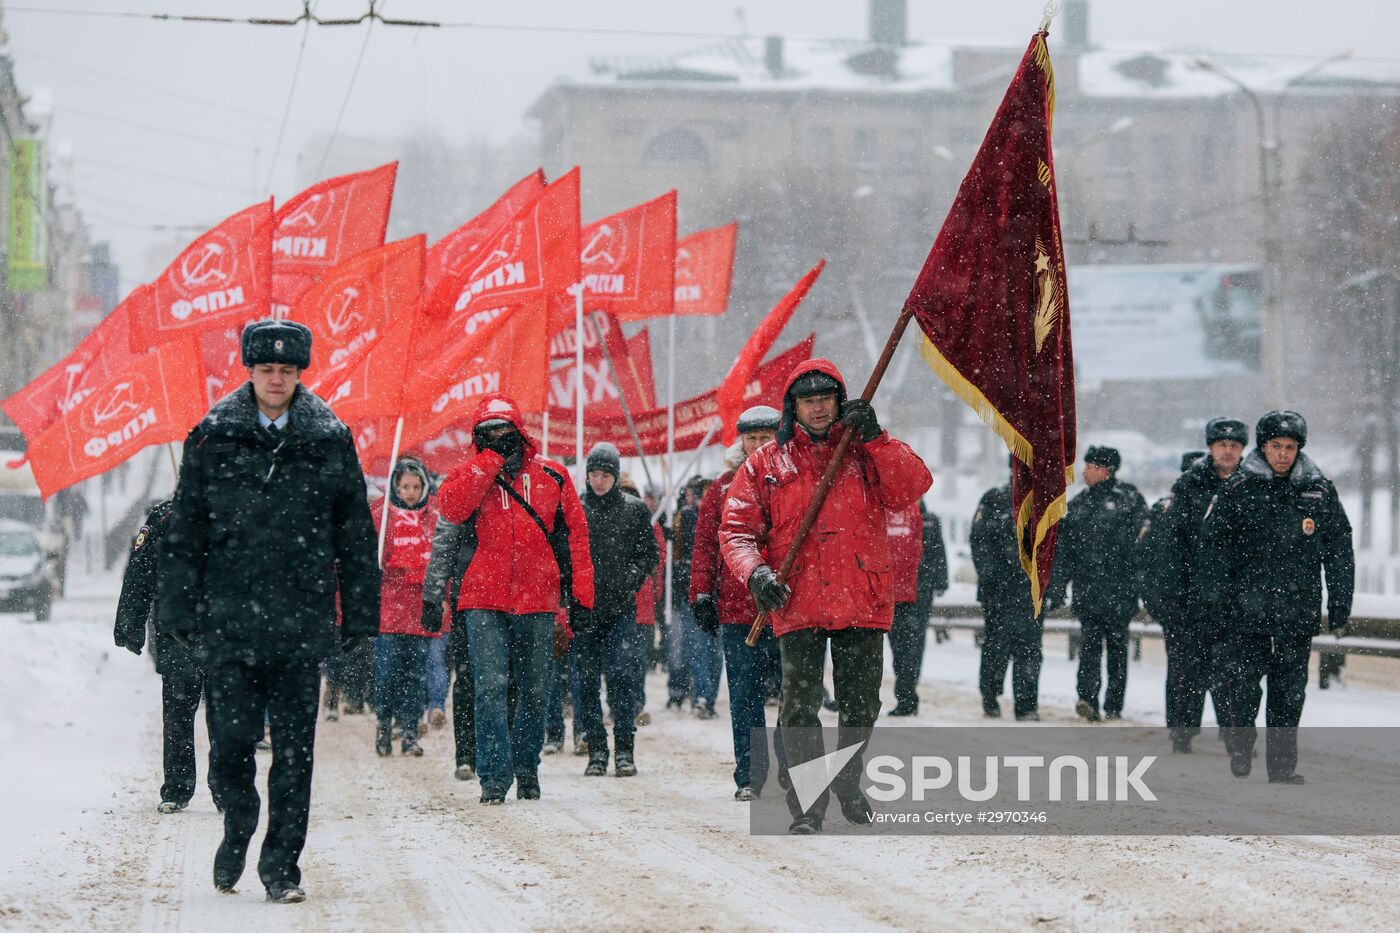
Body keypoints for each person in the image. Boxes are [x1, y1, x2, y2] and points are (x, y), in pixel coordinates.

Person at [159, 320, 380, 903]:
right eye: (266, 370)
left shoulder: (329, 439)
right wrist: (175, 607)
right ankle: (237, 823)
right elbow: (185, 532)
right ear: (250, 372)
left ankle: (281, 866)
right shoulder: (212, 437)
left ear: (300, 374)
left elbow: (355, 533)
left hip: (301, 627)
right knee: (229, 747)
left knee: (295, 754)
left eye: (286, 371)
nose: (276, 379)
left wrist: (361, 613)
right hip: (230, 624)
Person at [721, 360, 932, 834]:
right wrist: (756, 574)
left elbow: (911, 488)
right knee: (799, 708)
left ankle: (848, 780)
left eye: (825, 398)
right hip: (798, 600)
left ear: (840, 401)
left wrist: (877, 439)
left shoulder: (865, 450)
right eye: (807, 400)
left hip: (863, 597)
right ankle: (809, 805)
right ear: (792, 408)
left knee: (861, 706)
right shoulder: (766, 463)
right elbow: (736, 530)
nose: (817, 408)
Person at [431, 394, 594, 804]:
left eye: (506, 433)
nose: (500, 440)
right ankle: (493, 776)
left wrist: (581, 596)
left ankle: (526, 767)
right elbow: (451, 507)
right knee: (490, 687)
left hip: (538, 598)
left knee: (535, 688)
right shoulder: (470, 473)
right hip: (483, 599)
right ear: (478, 439)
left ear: (521, 433)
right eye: (490, 434)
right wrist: (488, 463)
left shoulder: (553, 476)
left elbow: (576, 537)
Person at [1198, 411, 1353, 783]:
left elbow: (1339, 549)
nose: (1283, 454)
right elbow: (1212, 549)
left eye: (1290, 447)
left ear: (1299, 449)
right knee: (1243, 686)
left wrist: (1340, 602)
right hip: (1245, 610)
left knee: (1289, 693)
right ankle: (1241, 743)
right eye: (1275, 447)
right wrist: (1216, 600)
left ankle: (1282, 767)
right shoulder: (1238, 489)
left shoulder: (1318, 490)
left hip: (1296, 610)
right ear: (1263, 447)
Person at [690, 405, 789, 800]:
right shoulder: (722, 488)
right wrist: (700, 592)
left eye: (766, 438)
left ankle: (791, 769)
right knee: (745, 696)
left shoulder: (792, 481)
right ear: (741, 442)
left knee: (794, 695)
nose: (759, 445)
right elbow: (703, 546)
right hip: (736, 609)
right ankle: (749, 773)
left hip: (786, 608)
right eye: (752, 438)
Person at [113, 497, 221, 814]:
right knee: (179, 714)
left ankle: (225, 788)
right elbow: (140, 573)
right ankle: (177, 787)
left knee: (223, 716)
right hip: (178, 633)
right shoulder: (164, 517)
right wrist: (129, 624)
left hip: (223, 632)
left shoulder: (237, 508)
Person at [1153, 422, 1246, 752]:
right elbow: (1169, 547)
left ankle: (1236, 734)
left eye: (1234, 445)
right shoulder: (1191, 486)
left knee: (1233, 673)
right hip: (1191, 598)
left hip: (1233, 599)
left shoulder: (1251, 486)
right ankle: (1182, 733)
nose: (1227, 451)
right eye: (1221, 444)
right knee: (1185, 673)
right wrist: (1170, 597)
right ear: (1210, 448)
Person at [575, 444, 659, 777]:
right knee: (586, 683)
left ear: (615, 476)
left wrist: (632, 578)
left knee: (622, 680)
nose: (598, 481)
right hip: (586, 610)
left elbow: (649, 553)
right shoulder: (577, 509)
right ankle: (596, 749)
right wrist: (573, 595)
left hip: (621, 609)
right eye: (594, 474)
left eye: (605, 475)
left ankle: (625, 750)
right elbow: (565, 556)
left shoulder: (634, 510)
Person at [1054, 446, 1147, 722]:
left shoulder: (1130, 500)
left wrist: (1139, 583)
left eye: (1091, 467)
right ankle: (1088, 699)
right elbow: (1066, 550)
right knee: (1091, 648)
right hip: (1090, 591)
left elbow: (1142, 548)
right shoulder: (1080, 504)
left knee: (1117, 650)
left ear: (1106, 470)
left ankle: (1113, 704)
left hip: (1120, 590)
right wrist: (1059, 585)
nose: (1085, 472)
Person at [369, 456, 443, 758]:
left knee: (416, 676)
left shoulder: (434, 516)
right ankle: (384, 724)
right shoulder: (381, 515)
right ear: (394, 487)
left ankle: (411, 731)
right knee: (386, 673)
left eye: (415, 486)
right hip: (389, 608)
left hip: (419, 608)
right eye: (403, 487)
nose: (410, 492)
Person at [970, 480, 1044, 721]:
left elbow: (1055, 546)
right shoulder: (994, 498)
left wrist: (1049, 585)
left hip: (1030, 591)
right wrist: (991, 577)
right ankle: (990, 697)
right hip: (998, 592)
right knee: (996, 647)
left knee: (1029, 650)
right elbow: (979, 540)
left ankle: (1026, 705)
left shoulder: (1045, 500)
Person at [672, 477, 720, 717]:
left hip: (717, 590)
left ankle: (707, 697)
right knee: (699, 646)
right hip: (694, 589)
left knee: (712, 649)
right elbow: (683, 551)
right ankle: (702, 695)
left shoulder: (718, 515)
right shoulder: (689, 516)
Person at [914, 502, 949, 652]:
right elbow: (939, 552)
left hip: (922, 586)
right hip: (915, 586)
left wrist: (941, 581)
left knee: (918, 632)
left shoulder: (930, 521)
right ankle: (908, 672)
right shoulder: (929, 521)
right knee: (907, 634)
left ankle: (910, 673)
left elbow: (939, 552)